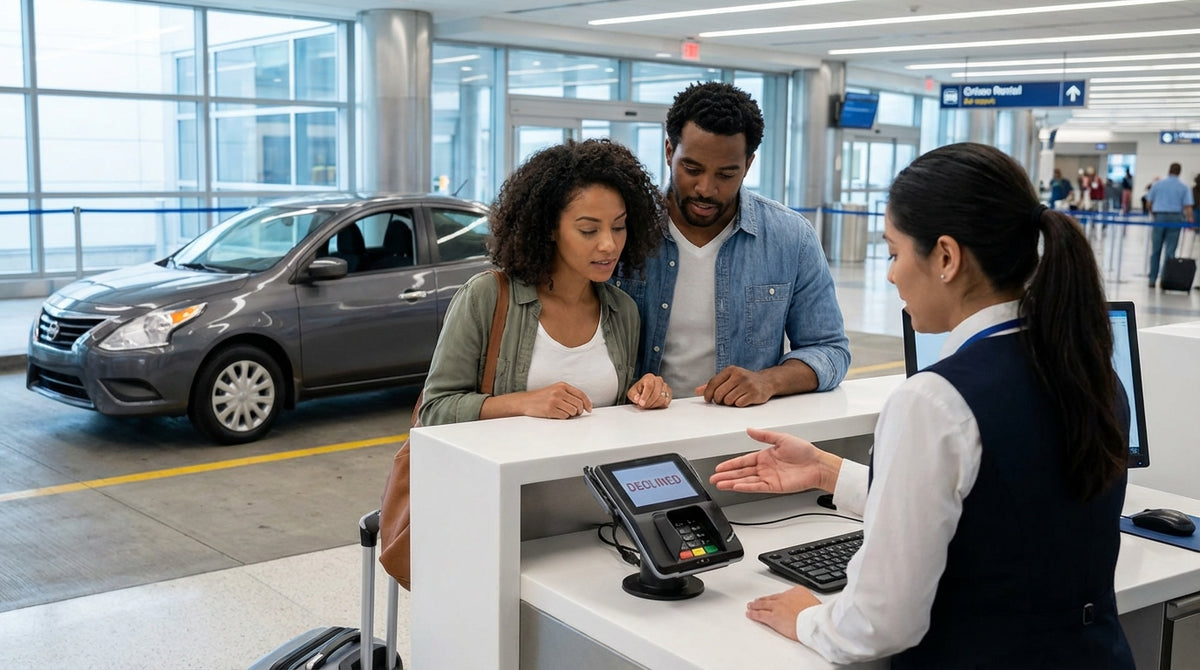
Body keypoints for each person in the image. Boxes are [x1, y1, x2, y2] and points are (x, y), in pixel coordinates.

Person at [711, 142, 1134, 668]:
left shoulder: (936, 400)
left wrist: (805, 615)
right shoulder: (1088, 370)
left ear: (947, 258)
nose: (890, 275)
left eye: (893, 252)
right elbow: (997, 512)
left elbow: (876, 624)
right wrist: (827, 471)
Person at [612, 81, 850, 407]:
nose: (706, 189)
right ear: (669, 150)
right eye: (692, 169)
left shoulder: (790, 237)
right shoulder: (621, 229)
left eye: (726, 174)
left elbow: (830, 350)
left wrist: (767, 380)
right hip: (634, 430)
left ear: (749, 165)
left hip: (740, 436)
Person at [418, 138, 673, 425]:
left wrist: (642, 393)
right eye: (589, 230)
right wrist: (522, 403)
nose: (609, 245)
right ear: (549, 228)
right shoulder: (485, 296)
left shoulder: (622, 310)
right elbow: (435, 410)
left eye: (618, 227)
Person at [1144, 162, 1195, 288]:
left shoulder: (1158, 185)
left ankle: (1152, 279)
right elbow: (1188, 207)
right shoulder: (1184, 187)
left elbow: (1148, 203)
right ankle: (1165, 279)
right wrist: (1191, 221)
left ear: (1169, 170)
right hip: (1176, 218)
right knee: (1170, 251)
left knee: (1155, 250)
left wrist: (1153, 214)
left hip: (1159, 217)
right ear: (1179, 172)